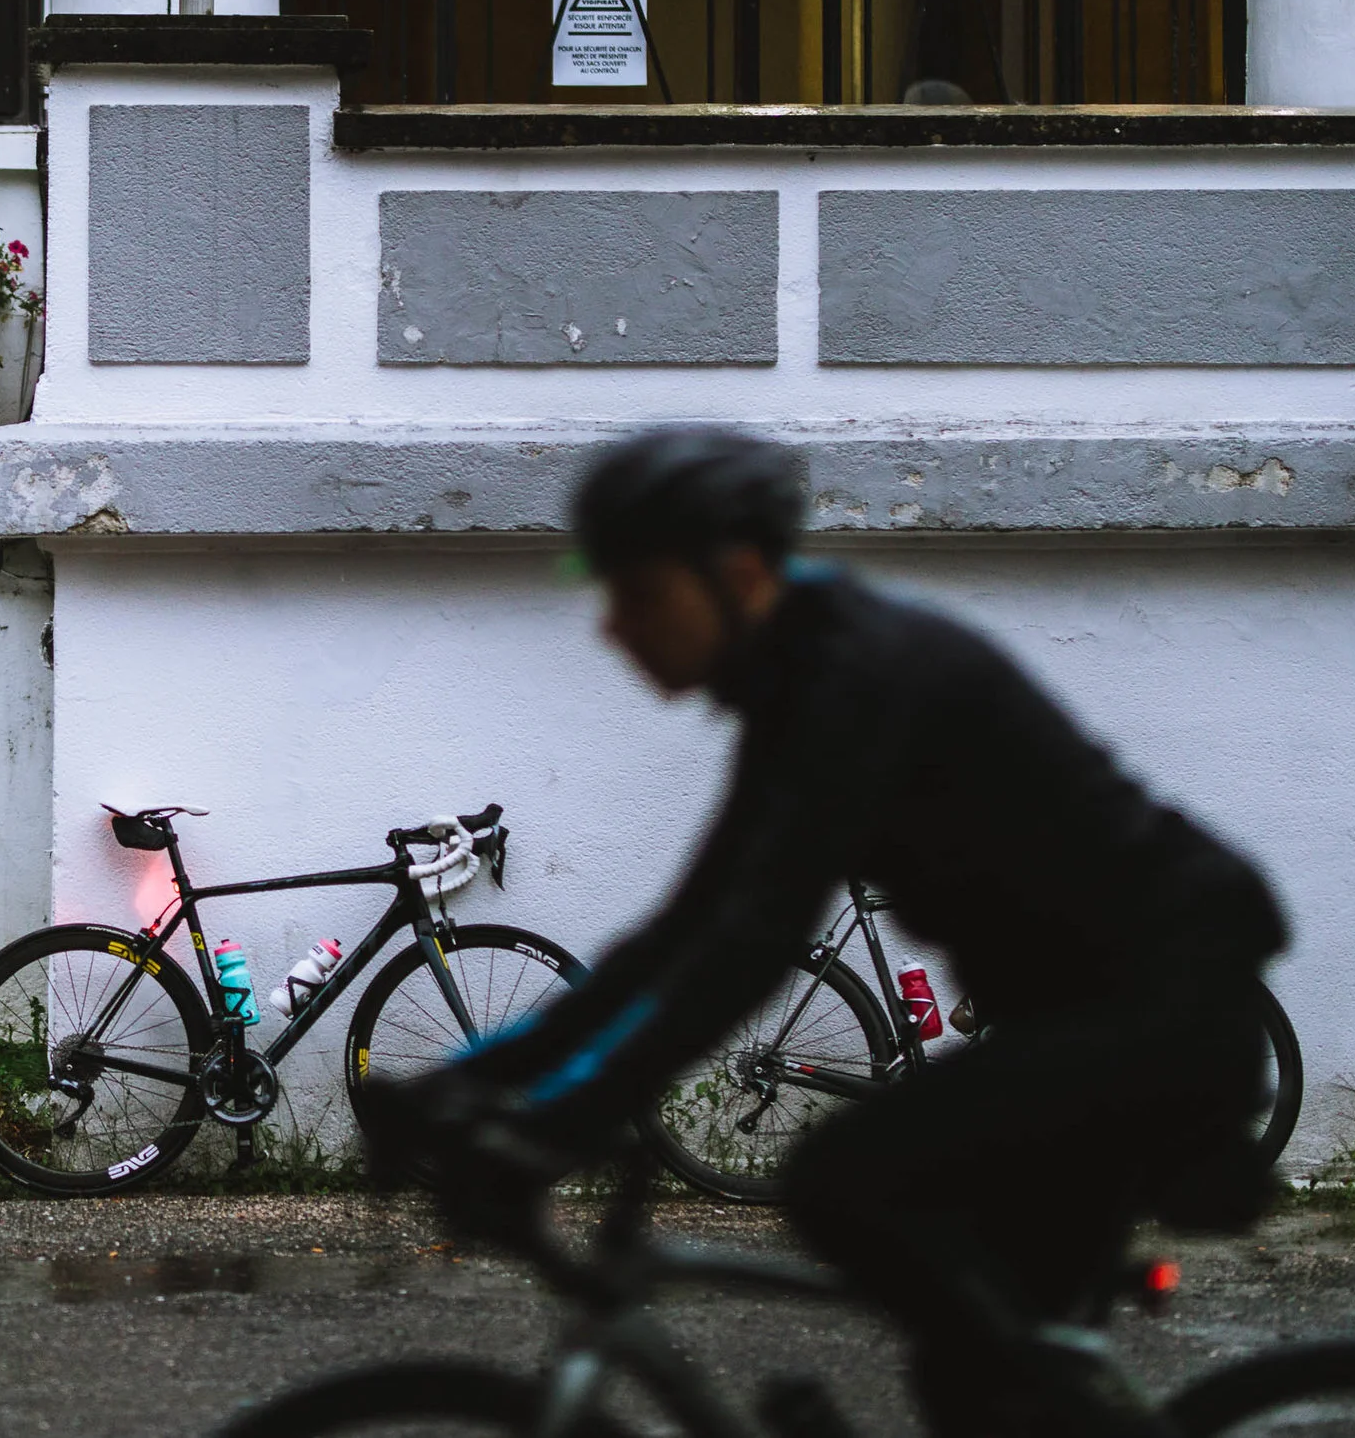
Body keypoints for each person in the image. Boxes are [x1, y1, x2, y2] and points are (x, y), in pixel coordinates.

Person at [359, 426, 1289, 1438]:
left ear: (738, 574)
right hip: (1097, 1012)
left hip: (1159, 1012)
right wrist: (483, 1076)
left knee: (841, 1180)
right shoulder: (802, 678)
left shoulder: (856, 678)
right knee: (976, 1386)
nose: (614, 629)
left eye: (640, 593)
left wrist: (565, 1119)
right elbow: (681, 930)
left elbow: (747, 947)